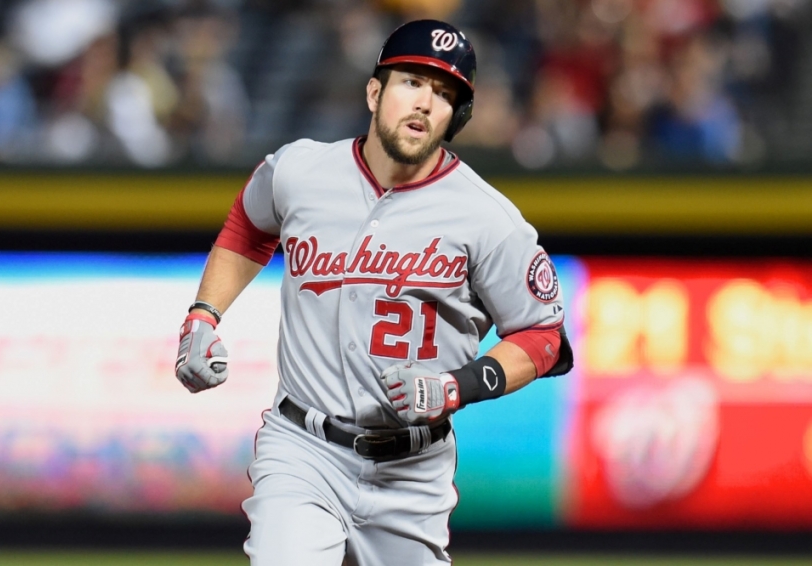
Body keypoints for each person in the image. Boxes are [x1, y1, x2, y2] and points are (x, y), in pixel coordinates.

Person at [174, 19, 573, 566]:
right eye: (412, 81)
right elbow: (249, 224)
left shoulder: (487, 217)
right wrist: (204, 314)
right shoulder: (303, 170)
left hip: (413, 473)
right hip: (303, 448)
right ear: (373, 91)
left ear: (456, 116)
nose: (425, 103)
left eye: (443, 94)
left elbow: (545, 336)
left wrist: (456, 386)